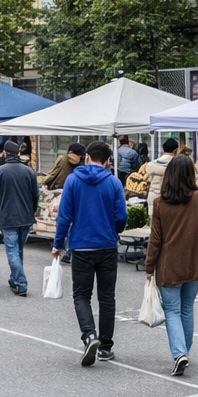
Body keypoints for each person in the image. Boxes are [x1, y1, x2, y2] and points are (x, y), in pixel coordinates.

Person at [145, 154, 198, 377]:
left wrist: (149, 267)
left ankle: (180, 354)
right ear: (191, 174)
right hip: (194, 263)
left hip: (168, 266)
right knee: (187, 308)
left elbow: (155, 240)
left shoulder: (159, 203)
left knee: (172, 310)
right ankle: (184, 352)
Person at [54, 140, 128, 366]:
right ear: (107, 161)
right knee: (107, 297)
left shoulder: (73, 180)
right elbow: (122, 216)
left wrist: (58, 243)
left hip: (81, 245)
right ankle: (105, 347)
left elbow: (64, 215)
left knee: (81, 295)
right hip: (107, 245)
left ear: (86, 157)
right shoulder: (114, 182)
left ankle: (89, 335)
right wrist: (113, 229)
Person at [0, 140, 39, 296]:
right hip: (25, 216)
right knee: (18, 249)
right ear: (18, 153)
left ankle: (20, 282)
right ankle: (15, 279)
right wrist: (31, 211)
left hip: (7, 216)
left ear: (5, 153)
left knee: (12, 251)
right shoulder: (29, 171)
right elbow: (35, 195)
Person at [144, 137, 180, 205]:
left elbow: (149, 180)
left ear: (163, 149)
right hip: (170, 198)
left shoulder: (150, 165)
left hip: (153, 197)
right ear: (175, 150)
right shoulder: (177, 166)